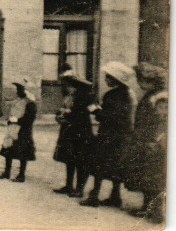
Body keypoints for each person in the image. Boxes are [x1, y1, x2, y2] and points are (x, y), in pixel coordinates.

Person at [80, 61, 135, 207]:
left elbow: (109, 116)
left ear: (115, 79)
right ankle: (115, 196)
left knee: (99, 164)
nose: (106, 80)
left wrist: (95, 111)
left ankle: (94, 196)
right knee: (115, 166)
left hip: (109, 135)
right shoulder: (127, 93)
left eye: (108, 77)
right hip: (122, 135)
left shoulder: (112, 95)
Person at [123, 62, 167, 223]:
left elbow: (161, 121)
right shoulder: (150, 95)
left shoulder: (159, 97)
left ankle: (156, 213)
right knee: (146, 176)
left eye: (141, 80)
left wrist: (154, 139)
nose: (139, 84)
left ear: (151, 81)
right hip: (144, 140)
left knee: (154, 178)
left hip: (153, 142)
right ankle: (147, 207)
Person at [52, 70, 94, 198]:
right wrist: (59, 115)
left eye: (68, 84)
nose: (65, 87)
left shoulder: (85, 96)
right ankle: (69, 185)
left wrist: (67, 114)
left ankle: (79, 188)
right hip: (68, 130)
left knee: (80, 159)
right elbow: (65, 110)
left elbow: (81, 112)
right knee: (69, 158)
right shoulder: (69, 96)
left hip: (81, 130)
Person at [0, 79, 37, 183]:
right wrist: (10, 120)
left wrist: (17, 121)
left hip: (23, 131)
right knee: (8, 150)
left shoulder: (30, 104)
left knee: (23, 153)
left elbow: (29, 119)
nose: (17, 92)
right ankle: (7, 172)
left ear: (26, 91)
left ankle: (21, 175)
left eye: (20, 90)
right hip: (13, 129)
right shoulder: (19, 101)